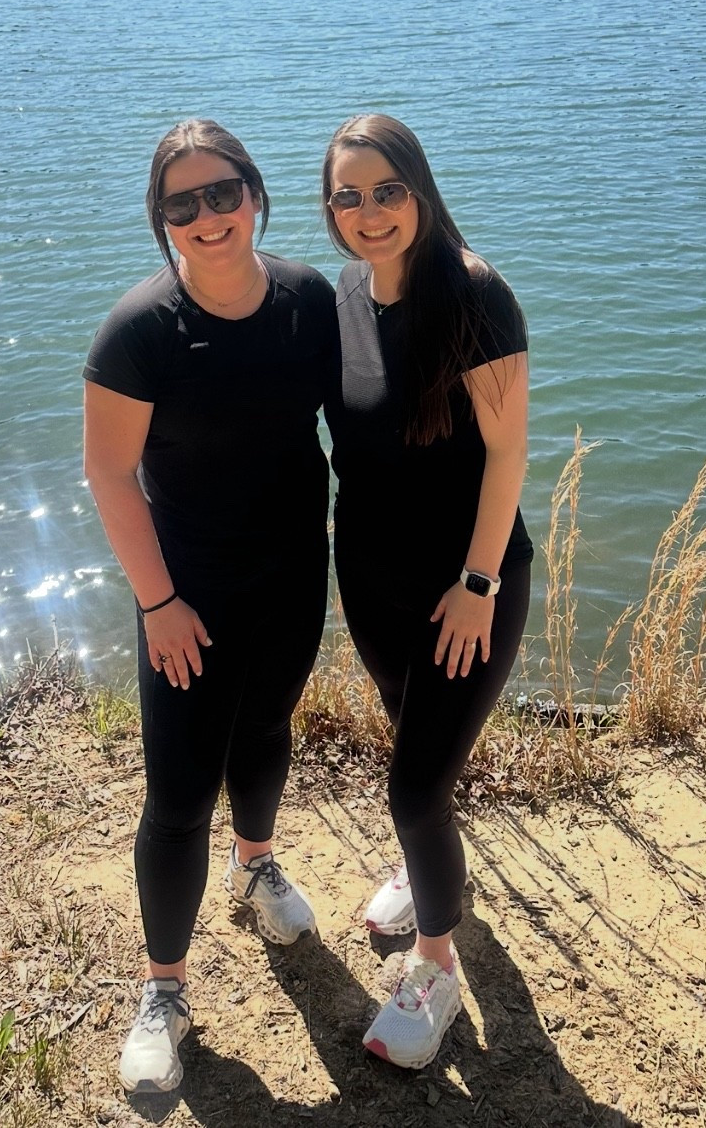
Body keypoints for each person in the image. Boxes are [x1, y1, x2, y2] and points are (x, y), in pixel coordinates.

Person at [83, 119, 336, 1094]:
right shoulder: (141, 330)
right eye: (181, 203)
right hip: (185, 596)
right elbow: (110, 474)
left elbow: (365, 414)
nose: (207, 215)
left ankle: (256, 864)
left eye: (222, 192)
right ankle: (165, 990)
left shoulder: (310, 301)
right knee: (181, 794)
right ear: (162, 219)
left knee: (266, 729)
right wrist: (159, 601)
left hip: (292, 579)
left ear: (255, 193)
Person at [322, 113, 532, 1070]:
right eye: (348, 196)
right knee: (414, 746)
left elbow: (507, 452)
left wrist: (479, 580)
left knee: (412, 785)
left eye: (387, 190)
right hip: (372, 578)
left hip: (467, 587)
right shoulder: (344, 294)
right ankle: (429, 866)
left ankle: (436, 963)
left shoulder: (475, 293)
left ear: (420, 189)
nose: (369, 212)